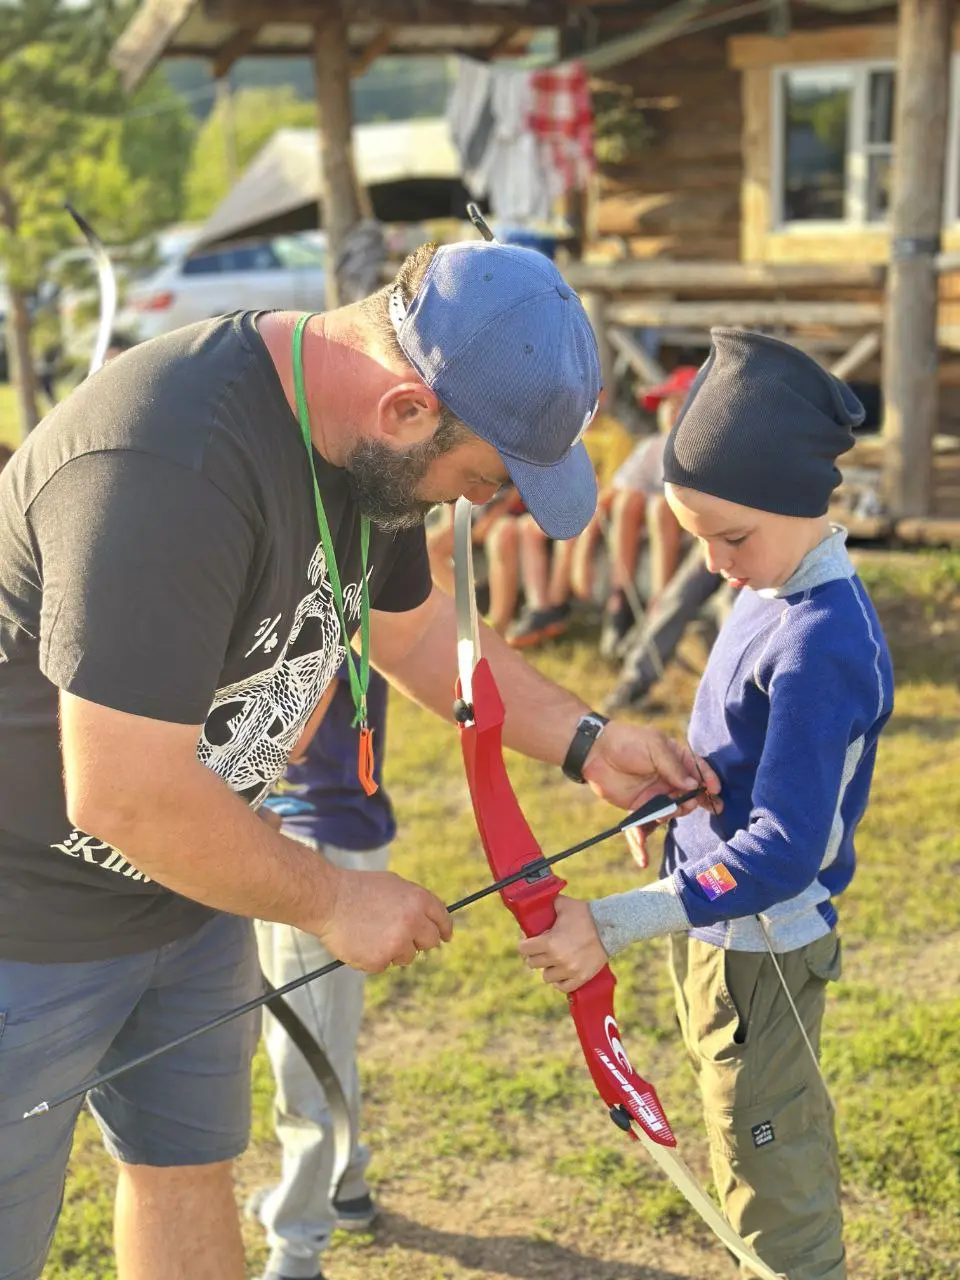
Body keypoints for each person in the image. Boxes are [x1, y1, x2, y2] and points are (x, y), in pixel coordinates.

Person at [0, 235, 717, 1280]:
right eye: (481, 478)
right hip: (28, 919)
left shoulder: (365, 457)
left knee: (182, 1168)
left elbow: (418, 638)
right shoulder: (167, 463)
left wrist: (592, 743)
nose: (479, 504)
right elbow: (121, 790)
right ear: (407, 409)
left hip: (189, 887)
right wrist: (334, 898)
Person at [518, 330, 894, 1280]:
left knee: (774, 1175)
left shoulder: (822, 642)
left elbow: (780, 854)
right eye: (698, 541)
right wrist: (677, 808)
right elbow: (740, 760)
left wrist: (610, 922)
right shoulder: (768, 588)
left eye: (732, 537)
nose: (717, 565)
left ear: (801, 503)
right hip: (725, 933)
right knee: (740, 1136)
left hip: (765, 947)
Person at [255, 668, 394, 1280]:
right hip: (304, 835)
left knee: (304, 1056)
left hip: (313, 845)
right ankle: (344, 1184)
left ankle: (296, 1246)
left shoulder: (318, 583)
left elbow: (290, 733)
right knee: (321, 1037)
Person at [506, 398, 634, 648]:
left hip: (597, 508)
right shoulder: (567, 435)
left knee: (567, 529)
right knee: (527, 528)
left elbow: (615, 486)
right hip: (568, 504)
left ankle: (556, 604)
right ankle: (539, 606)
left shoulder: (614, 435)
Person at [597, 366, 699, 660]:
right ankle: (620, 602)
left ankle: (659, 604)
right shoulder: (652, 447)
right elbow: (615, 493)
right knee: (628, 501)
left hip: (691, 530)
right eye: (667, 403)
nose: (670, 410)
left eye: (681, 403)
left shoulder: (706, 447)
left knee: (660, 505)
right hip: (651, 527)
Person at [426, 484, 524, 635]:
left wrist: (496, 514)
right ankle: (474, 619)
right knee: (429, 547)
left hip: (509, 511)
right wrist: (451, 523)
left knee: (502, 536)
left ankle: (498, 628)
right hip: (472, 512)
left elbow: (526, 477)